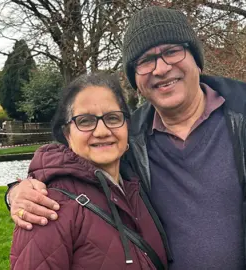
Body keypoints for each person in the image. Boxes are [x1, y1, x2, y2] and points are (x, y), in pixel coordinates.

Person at [5, 6, 246, 269]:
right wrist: (17, 191)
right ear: (135, 79)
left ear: (195, 60)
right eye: (146, 60)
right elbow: (73, 165)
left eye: (172, 51)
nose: (161, 68)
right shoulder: (128, 140)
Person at [10, 73, 168, 269]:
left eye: (112, 118)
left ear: (127, 126)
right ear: (67, 134)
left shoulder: (137, 184)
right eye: (85, 121)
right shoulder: (47, 206)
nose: (102, 131)